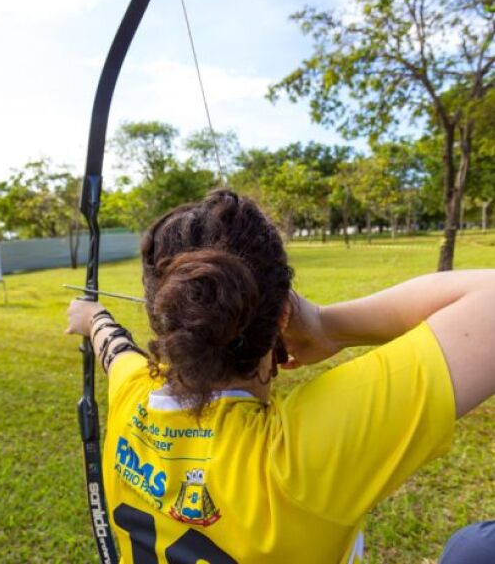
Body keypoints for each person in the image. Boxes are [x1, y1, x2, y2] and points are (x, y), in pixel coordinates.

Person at [66, 189, 495, 564]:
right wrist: (325, 325)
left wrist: (91, 315)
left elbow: (113, 347)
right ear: (283, 316)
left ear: (163, 315)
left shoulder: (131, 394)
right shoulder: (300, 457)